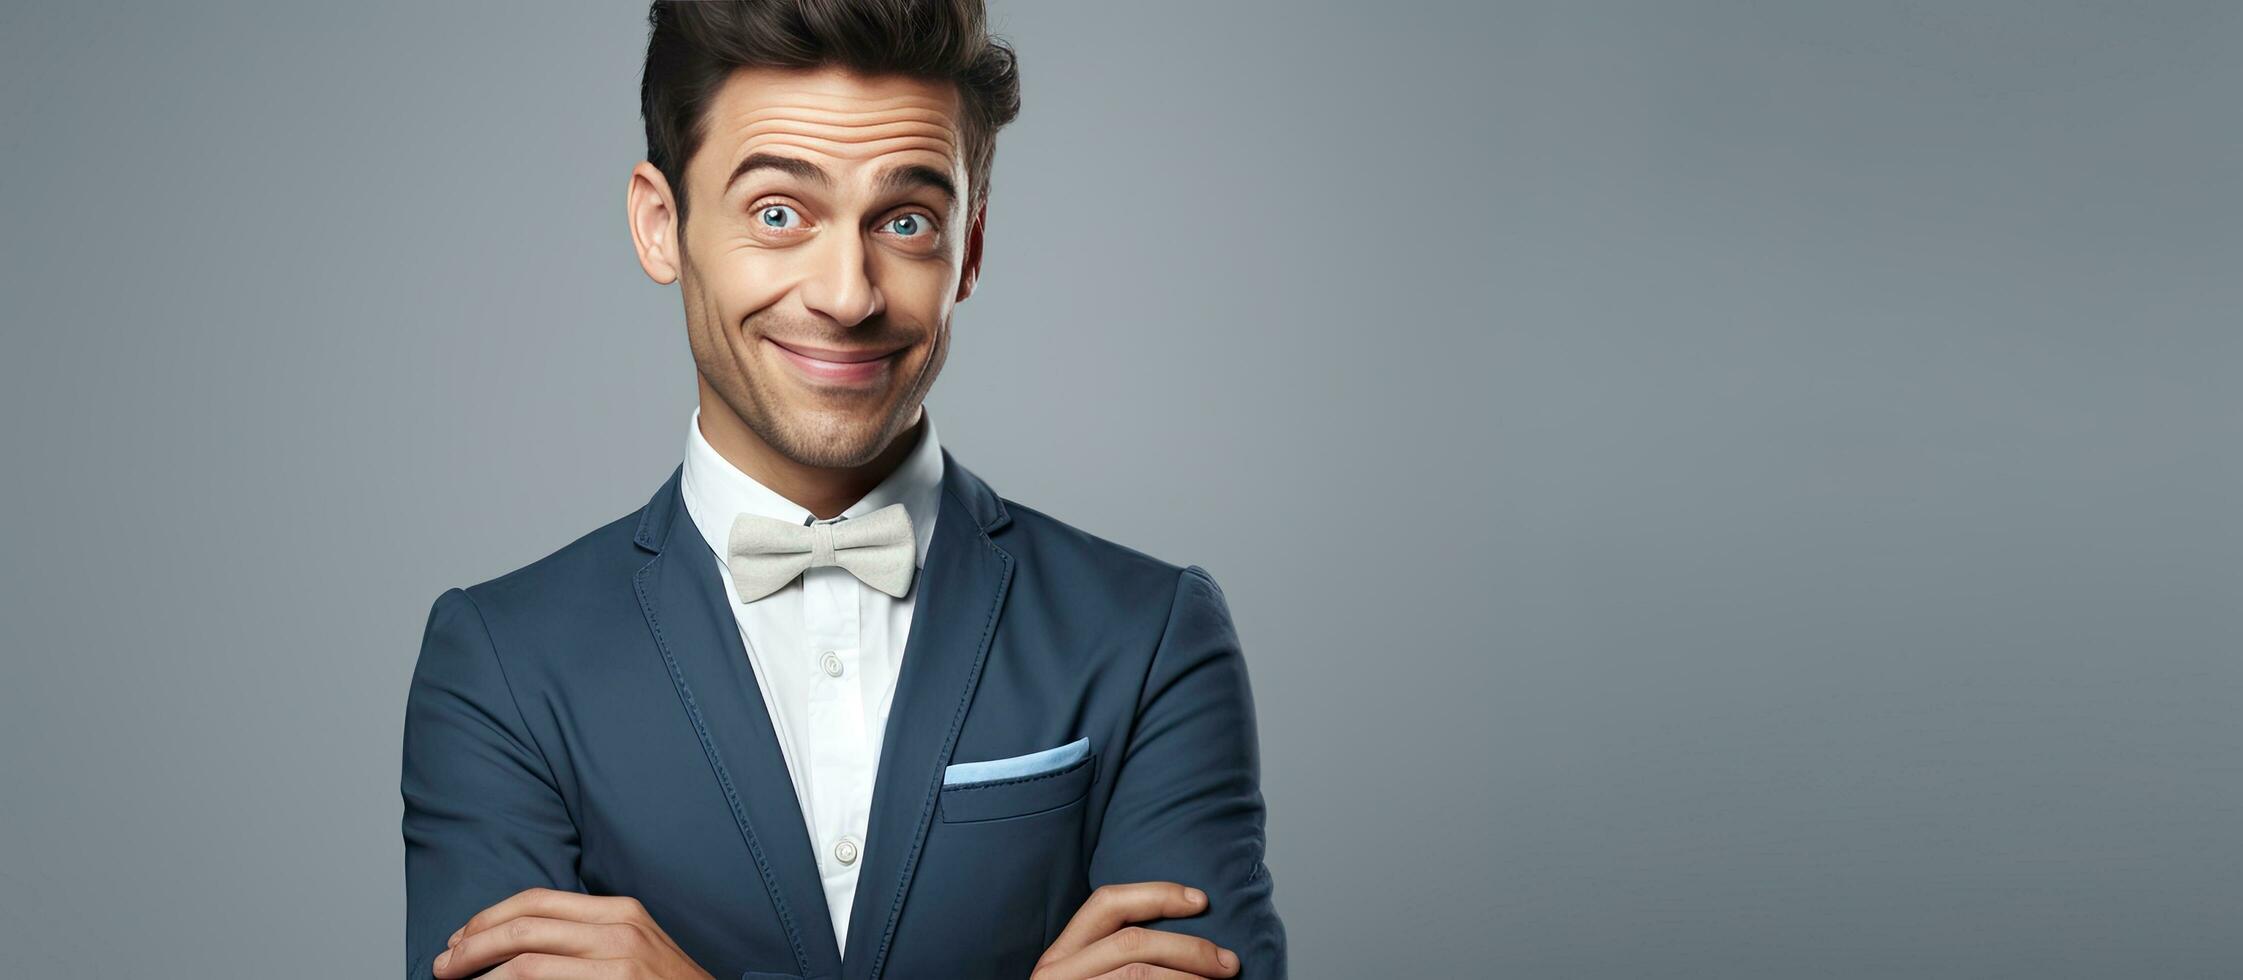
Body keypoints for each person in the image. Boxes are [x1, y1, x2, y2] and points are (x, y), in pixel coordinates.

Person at [400, 2, 1286, 977]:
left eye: (905, 220)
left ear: (970, 248)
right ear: (662, 225)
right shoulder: (500, 667)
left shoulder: (1151, 636)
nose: (847, 294)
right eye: (778, 212)